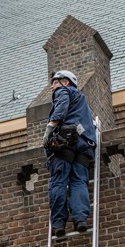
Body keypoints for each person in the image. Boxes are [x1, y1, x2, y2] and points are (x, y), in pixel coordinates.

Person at [43, 70, 96, 238]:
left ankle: (59, 223)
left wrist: (50, 127)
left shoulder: (64, 91)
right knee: (79, 181)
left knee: (59, 182)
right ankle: (80, 219)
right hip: (85, 145)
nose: (52, 87)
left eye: (55, 82)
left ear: (65, 82)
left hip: (65, 144)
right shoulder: (83, 102)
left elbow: (61, 107)